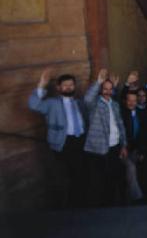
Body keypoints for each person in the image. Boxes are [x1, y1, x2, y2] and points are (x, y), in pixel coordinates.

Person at [28, 69, 87, 207]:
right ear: (59, 87)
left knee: (82, 173)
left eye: (71, 85)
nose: (68, 87)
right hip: (64, 142)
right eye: (65, 85)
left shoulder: (79, 102)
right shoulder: (52, 103)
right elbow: (33, 105)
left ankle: (81, 204)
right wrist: (41, 85)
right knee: (69, 175)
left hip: (81, 140)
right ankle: (71, 207)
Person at [84, 69, 127, 206]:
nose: (107, 91)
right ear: (101, 89)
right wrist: (98, 81)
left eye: (110, 89)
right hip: (98, 149)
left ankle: (114, 206)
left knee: (115, 177)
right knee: (99, 181)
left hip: (115, 146)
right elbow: (86, 99)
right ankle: (103, 209)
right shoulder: (94, 104)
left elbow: (120, 125)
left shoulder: (114, 104)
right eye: (105, 88)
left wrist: (124, 145)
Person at [121, 91, 147, 202]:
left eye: (134, 100)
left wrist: (142, 152)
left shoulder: (141, 114)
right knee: (131, 167)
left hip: (136, 150)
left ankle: (145, 192)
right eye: (129, 100)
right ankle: (137, 198)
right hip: (122, 150)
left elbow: (143, 135)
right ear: (125, 101)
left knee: (145, 162)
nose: (132, 103)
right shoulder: (121, 114)